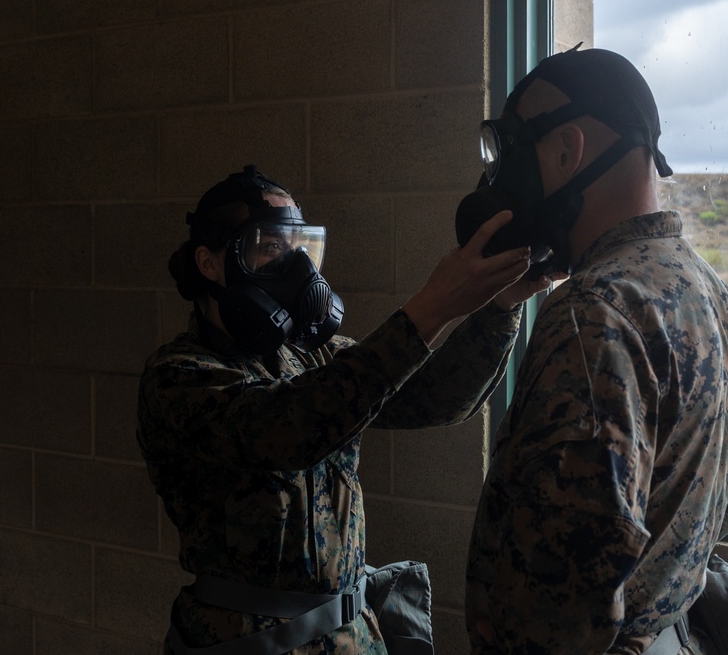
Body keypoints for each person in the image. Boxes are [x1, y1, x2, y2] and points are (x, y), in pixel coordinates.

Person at [462, 47, 728, 654]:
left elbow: (563, 594)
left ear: (568, 151)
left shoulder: (595, 311)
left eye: (514, 150)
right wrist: (668, 560)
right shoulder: (704, 285)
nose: (504, 175)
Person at [136, 165, 550, 654]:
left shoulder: (312, 356)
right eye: (270, 247)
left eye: (299, 248)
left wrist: (501, 305)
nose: (295, 268)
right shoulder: (180, 375)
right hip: (250, 642)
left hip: (353, 636)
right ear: (210, 264)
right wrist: (433, 305)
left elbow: (436, 397)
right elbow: (291, 429)